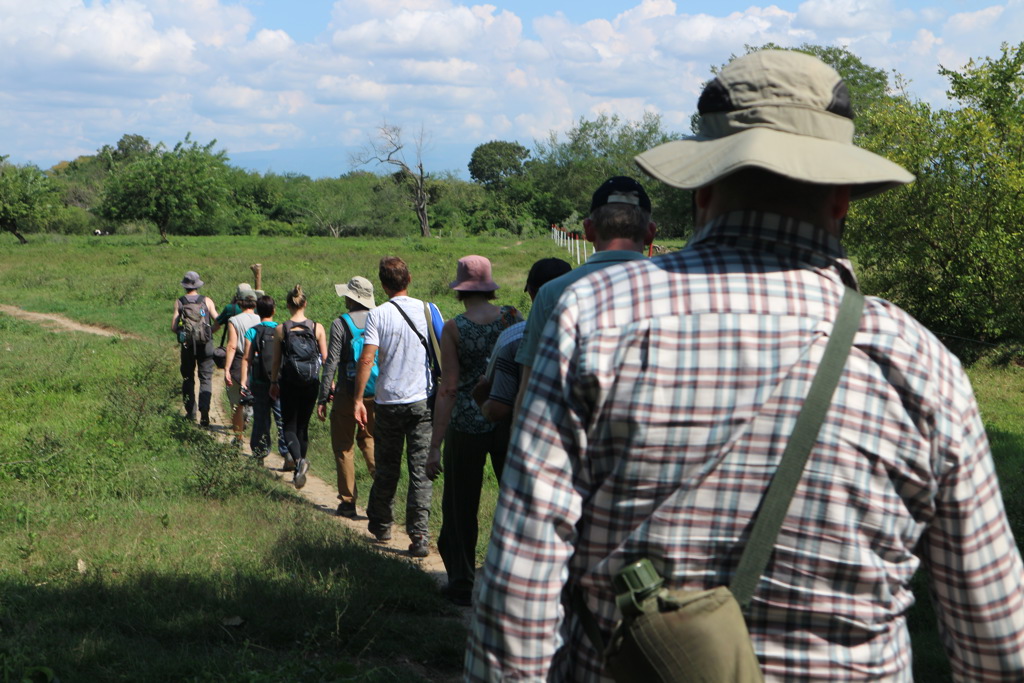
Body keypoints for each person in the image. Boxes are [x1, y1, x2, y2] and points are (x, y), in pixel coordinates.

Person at [466, 50, 1024, 681]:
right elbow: (997, 641)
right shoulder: (920, 362)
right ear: (842, 199)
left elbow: (521, 588)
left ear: (703, 188)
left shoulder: (594, 317)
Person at [513, 176, 657, 408]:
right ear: (650, 232)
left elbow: (530, 387)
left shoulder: (551, 293)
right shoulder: (682, 291)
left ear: (588, 230)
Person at [427, 255, 522, 606]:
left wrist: (435, 445)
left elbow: (449, 388)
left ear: (460, 289)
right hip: (506, 416)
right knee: (516, 501)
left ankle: (462, 582)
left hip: (467, 422)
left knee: (460, 505)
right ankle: (514, 582)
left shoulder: (454, 328)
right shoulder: (512, 317)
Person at [353, 256, 443, 558]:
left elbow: (367, 358)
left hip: (388, 402)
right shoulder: (429, 310)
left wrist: (357, 400)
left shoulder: (377, 314)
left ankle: (382, 524)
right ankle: (419, 535)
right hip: (422, 402)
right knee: (421, 471)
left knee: (387, 468)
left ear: (382, 285)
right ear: (410, 279)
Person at [471, 257, 571, 428]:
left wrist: (481, 398)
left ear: (531, 292)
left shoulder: (513, 341)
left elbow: (498, 410)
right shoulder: (595, 332)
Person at [317, 276, 378, 518]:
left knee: (344, 447)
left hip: (346, 394)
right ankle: (383, 492)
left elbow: (331, 362)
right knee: (370, 440)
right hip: (374, 392)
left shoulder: (340, 323)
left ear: (351, 299)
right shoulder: (378, 319)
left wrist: (323, 396)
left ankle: (348, 502)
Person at [269, 285, 328, 489]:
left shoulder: (281, 329)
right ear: (305, 304)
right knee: (302, 427)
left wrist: (274, 382)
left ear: (288, 305)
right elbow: (326, 359)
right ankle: (298, 471)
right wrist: (329, 383)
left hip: (289, 382)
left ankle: (299, 462)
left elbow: (276, 361)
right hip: (311, 383)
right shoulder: (317, 328)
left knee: (289, 427)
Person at [239, 295, 290, 463]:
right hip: (279, 381)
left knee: (261, 418)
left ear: (257, 311)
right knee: (282, 417)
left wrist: (244, 381)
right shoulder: (281, 330)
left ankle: (259, 454)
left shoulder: (252, 331)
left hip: (259, 381)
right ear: (274, 310)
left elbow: (246, 358)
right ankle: (288, 453)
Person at [171, 270, 218, 427]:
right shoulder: (207, 301)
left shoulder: (180, 302)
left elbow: (173, 327)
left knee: (188, 378)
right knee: (205, 378)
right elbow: (218, 320)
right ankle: (204, 411)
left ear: (185, 286)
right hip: (206, 344)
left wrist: (183, 334)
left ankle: (190, 413)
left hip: (187, 346)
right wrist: (209, 333)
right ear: (198, 285)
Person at [223, 284, 259, 446]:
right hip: (257, 363)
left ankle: (238, 438)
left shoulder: (234, 320)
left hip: (239, 361)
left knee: (237, 402)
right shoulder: (260, 319)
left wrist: (226, 369)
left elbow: (232, 346)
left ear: (239, 302)